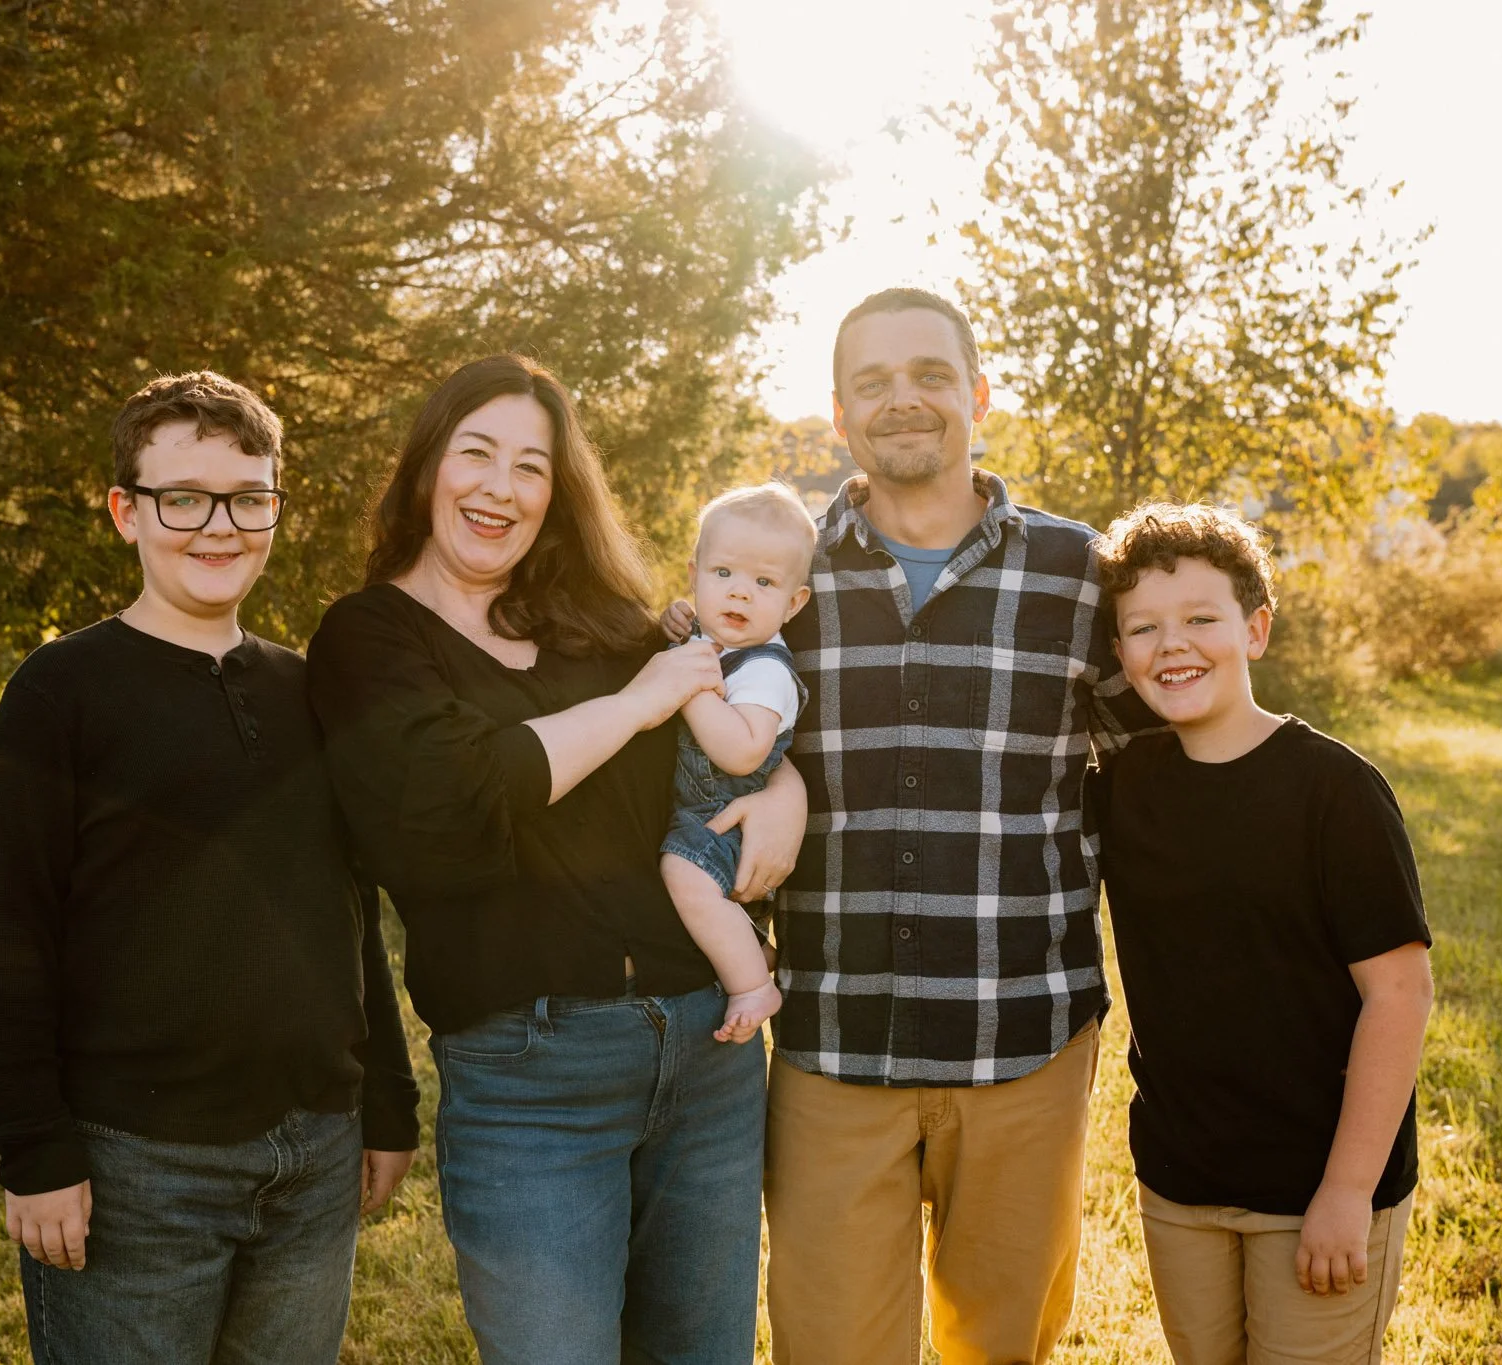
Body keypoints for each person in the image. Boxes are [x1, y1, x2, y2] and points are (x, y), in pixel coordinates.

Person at [670, 287, 1163, 1363]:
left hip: (1022, 1036)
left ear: (977, 394)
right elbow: (681, 720)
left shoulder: (1075, 573)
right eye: (873, 382)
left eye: (930, 375)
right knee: (829, 1346)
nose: (904, 401)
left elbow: (1153, 785)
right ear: (837, 414)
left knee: (1003, 1347)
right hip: (831, 1038)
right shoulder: (775, 575)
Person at [306, 353, 802, 1364]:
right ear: (424, 470)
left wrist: (780, 792)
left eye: (529, 466)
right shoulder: (369, 642)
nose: (499, 487)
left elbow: (724, 734)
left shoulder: (603, 626)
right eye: (474, 453)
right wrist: (631, 708)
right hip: (532, 1079)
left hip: (705, 1052)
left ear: (554, 494)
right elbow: (454, 808)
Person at [0, 371, 419, 1365]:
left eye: (249, 499)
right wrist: (36, 1151)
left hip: (314, 1158)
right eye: (184, 499)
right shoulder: (61, 693)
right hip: (137, 1168)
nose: (219, 527)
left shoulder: (306, 690)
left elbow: (348, 914)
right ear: (126, 510)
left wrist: (386, 1099)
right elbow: (9, 936)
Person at [1087, 502, 1433, 1365]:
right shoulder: (1123, 787)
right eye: (1143, 628)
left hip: (1317, 1184)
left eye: (1202, 619)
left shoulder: (1335, 791)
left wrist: (1348, 1191)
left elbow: (1398, 994)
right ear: (1120, 653)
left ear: (1256, 629)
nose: (1173, 645)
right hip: (1180, 1177)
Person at [660, 483, 817, 1045]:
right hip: (698, 807)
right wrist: (679, 626)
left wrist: (686, 685)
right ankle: (754, 943)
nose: (740, 594)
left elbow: (743, 750)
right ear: (694, 573)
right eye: (722, 573)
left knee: (685, 873)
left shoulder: (765, 669)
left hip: (726, 814)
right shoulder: (712, 639)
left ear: (793, 603)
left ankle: (752, 984)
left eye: (764, 583)